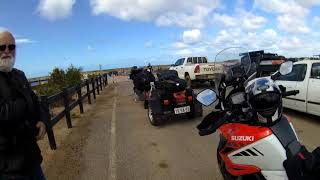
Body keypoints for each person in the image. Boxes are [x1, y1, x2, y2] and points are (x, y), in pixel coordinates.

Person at [0, 31, 47, 179]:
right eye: (1, 47)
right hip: (8, 168)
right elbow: (4, 114)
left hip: (31, 159)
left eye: (11, 46)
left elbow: (36, 101)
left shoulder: (20, 75)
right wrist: (25, 102)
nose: (7, 51)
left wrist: (43, 120)